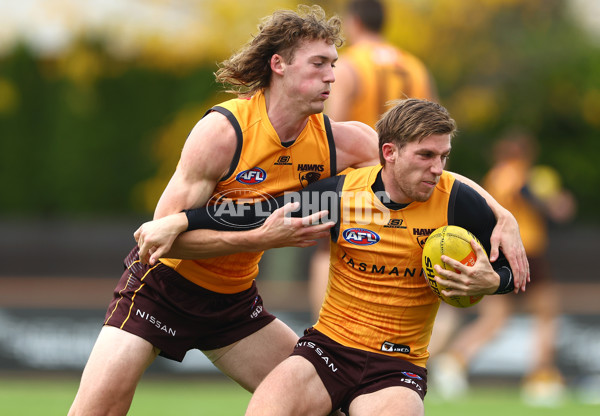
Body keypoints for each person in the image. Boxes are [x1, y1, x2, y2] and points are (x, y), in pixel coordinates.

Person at [69, 6, 526, 415]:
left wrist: (499, 211)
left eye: (334, 65)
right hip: (161, 289)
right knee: (98, 410)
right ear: (280, 65)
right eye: (319, 64)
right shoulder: (223, 132)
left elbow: (419, 166)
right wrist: (258, 239)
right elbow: (162, 240)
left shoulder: (337, 140)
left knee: (326, 399)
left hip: (233, 304)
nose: (332, 76)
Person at [149, 99, 518, 415]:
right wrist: (180, 220)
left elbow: (515, 271)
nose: (437, 169)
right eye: (426, 155)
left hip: (396, 368)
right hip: (327, 354)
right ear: (388, 153)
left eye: (443, 156)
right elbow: (253, 212)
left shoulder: (458, 202)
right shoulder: (339, 196)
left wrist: (494, 280)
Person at [307, 0, 439, 318]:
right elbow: (436, 131)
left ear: (354, 22)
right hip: (406, 181)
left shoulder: (348, 65)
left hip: (358, 181)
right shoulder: (416, 66)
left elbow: (331, 131)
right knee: (404, 258)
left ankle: (324, 337)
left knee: (327, 254)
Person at [429, 130, 576, 407]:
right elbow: (530, 195)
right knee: (546, 314)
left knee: (494, 320)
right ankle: (541, 378)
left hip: (498, 252)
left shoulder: (493, 176)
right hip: (527, 252)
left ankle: (454, 361)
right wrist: (555, 204)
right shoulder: (517, 174)